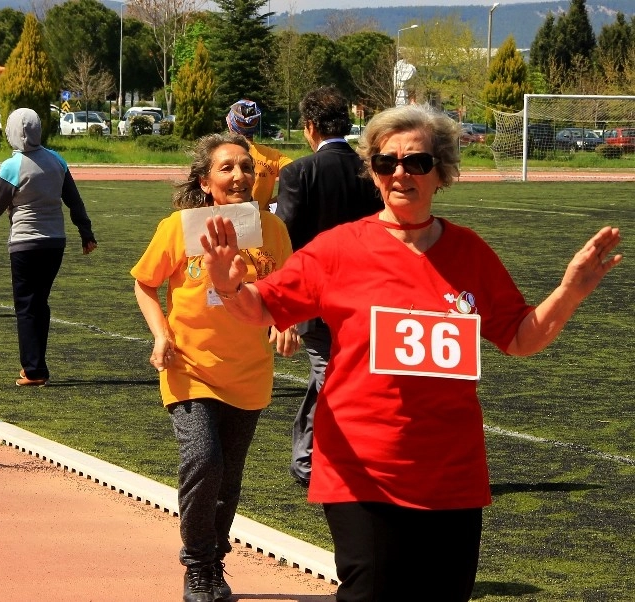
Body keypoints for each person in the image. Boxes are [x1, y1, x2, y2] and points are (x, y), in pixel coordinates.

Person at [200, 104, 622, 601]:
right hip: (360, 467)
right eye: (386, 163)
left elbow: (521, 337)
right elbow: (261, 309)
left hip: (451, 472)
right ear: (373, 173)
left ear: (441, 172)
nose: (400, 173)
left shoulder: (469, 253)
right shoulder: (337, 249)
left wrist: (569, 290)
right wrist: (229, 288)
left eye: (417, 162)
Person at [131, 133, 295, 602]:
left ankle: (214, 560)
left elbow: (289, 290)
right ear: (206, 182)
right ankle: (198, 566)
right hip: (190, 367)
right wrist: (162, 335)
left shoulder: (273, 230)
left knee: (229, 477)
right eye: (227, 168)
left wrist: (287, 320)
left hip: (249, 374)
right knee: (204, 460)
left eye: (246, 167)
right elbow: (145, 285)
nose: (240, 176)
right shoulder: (181, 227)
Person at [275, 86, 383, 487]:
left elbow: (284, 241)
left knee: (330, 379)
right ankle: (306, 461)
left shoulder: (298, 172)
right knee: (333, 376)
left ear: (309, 127)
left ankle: (316, 463)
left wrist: (282, 308)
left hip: (316, 298)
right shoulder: (370, 171)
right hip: (367, 297)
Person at [0, 108, 97, 386]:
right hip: (54, 243)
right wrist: (86, 233)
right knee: (39, 302)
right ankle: (38, 365)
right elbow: (75, 201)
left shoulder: (11, 166)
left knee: (26, 305)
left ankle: (33, 370)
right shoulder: (57, 161)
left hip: (25, 243)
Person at [225, 99, 293, 211]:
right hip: (261, 221)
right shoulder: (273, 155)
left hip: (225, 220)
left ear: (230, 123)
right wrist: (278, 199)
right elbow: (298, 176)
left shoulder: (219, 153)